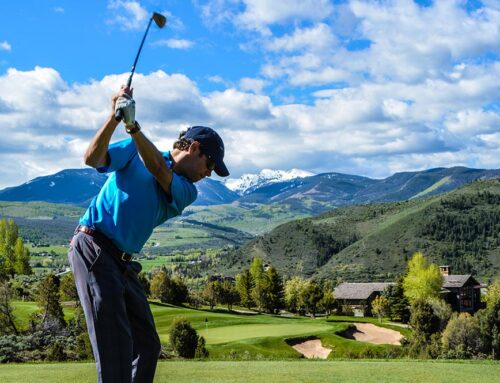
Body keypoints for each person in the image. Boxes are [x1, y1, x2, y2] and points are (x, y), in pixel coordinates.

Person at [68, 86, 229, 383]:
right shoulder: (133, 149)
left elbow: (157, 167)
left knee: (146, 343)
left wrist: (132, 125)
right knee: (114, 343)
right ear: (193, 148)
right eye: (210, 165)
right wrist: (114, 117)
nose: (209, 173)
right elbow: (92, 158)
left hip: (122, 261)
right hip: (93, 246)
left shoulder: (187, 190)